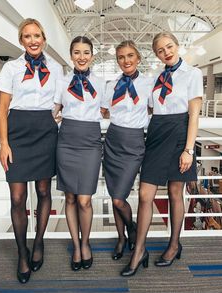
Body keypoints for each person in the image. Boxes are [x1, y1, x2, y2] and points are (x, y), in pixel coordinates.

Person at [121, 32, 203, 276]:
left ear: (177, 46)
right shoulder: (155, 77)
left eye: (169, 47)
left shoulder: (193, 74)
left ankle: (174, 244)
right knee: (145, 194)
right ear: (156, 54)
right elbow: (145, 106)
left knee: (176, 192)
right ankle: (139, 250)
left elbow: (195, 114)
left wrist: (188, 149)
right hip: (156, 133)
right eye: (160, 50)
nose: (166, 52)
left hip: (180, 133)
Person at [0, 18, 63, 283]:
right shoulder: (11, 68)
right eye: (27, 36)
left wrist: (54, 116)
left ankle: (39, 241)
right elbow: (2, 110)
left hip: (45, 131)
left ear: (44, 38)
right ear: (21, 40)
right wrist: (4, 144)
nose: (33, 40)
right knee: (17, 197)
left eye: (37, 35)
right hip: (18, 132)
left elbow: (60, 100)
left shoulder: (56, 68)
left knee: (44, 191)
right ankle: (22, 253)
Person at [54, 36, 105, 271]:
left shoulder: (101, 82)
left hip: (91, 141)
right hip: (67, 140)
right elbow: (55, 110)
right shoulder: (62, 81)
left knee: (85, 199)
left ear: (92, 55)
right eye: (77, 52)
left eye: (86, 52)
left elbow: (109, 111)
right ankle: (76, 246)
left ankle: (86, 243)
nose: (82, 57)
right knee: (71, 198)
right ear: (71, 55)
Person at [102, 40, 153, 261]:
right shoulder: (111, 84)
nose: (126, 60)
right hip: (112, 140)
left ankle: (131, 228)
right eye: (121, 57)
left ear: (138, 58)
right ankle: (122, 238)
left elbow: (153, 109)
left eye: (130, 56)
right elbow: (104, 111)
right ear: (117, 60)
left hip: (134, 143)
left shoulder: (149, 83)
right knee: (116, 194)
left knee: (117, 199)